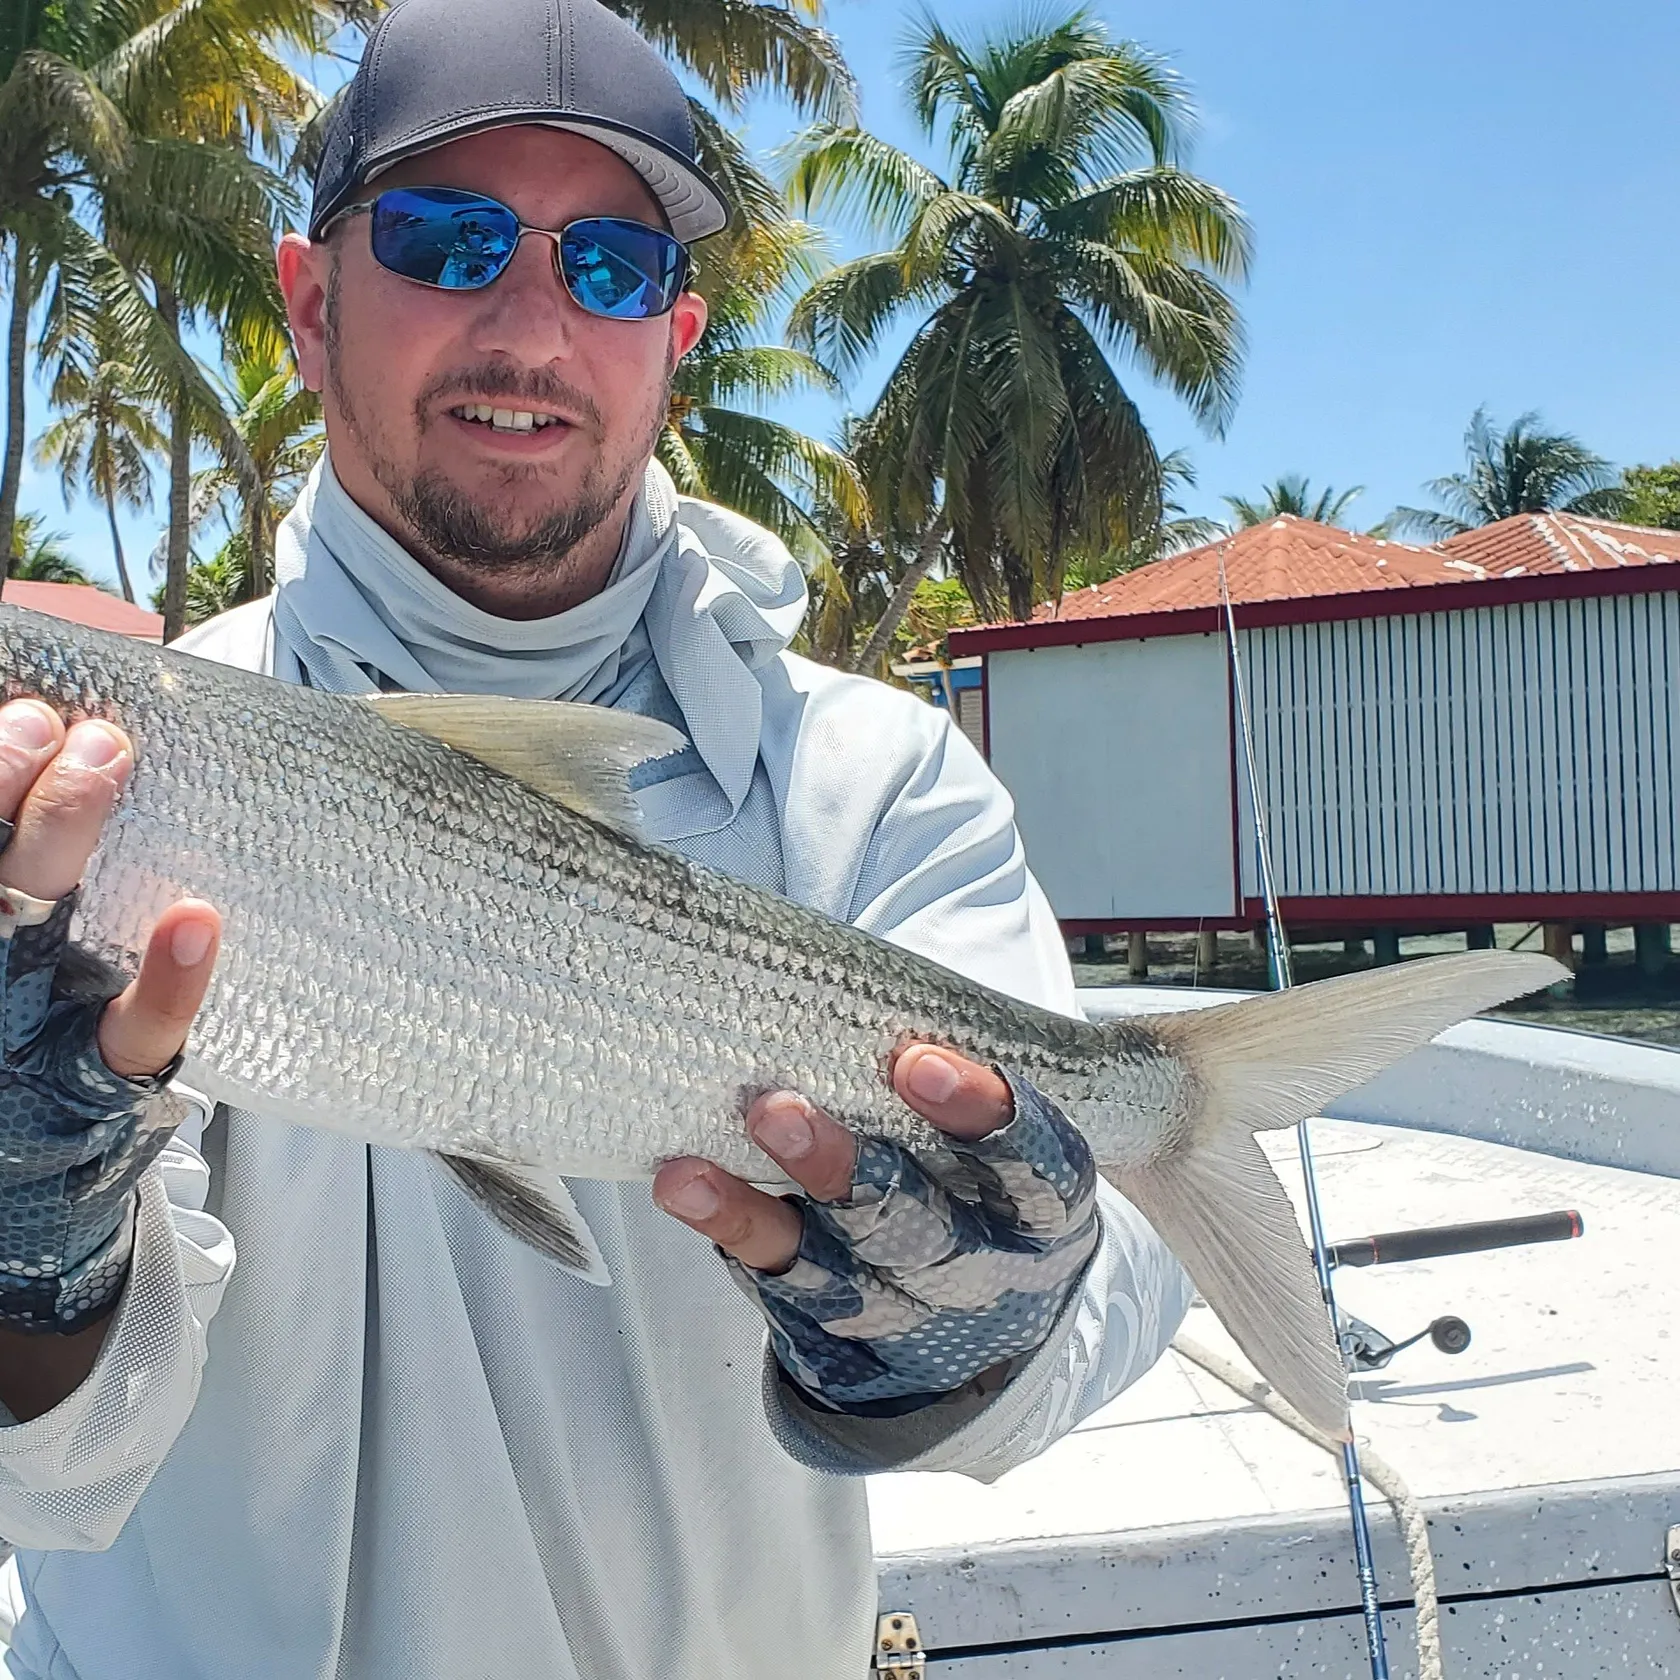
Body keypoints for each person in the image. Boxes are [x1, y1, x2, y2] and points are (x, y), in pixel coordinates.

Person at [0, 1, 1190, 1674]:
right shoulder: (99, 778)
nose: (530, 326)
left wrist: (972, 1331)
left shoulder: (875, 782)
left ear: (676, 341)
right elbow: (62, 1471)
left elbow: (1100, 1317)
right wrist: (30, 1238)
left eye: (613, 268)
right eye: (447, 238)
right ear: (309, 304)